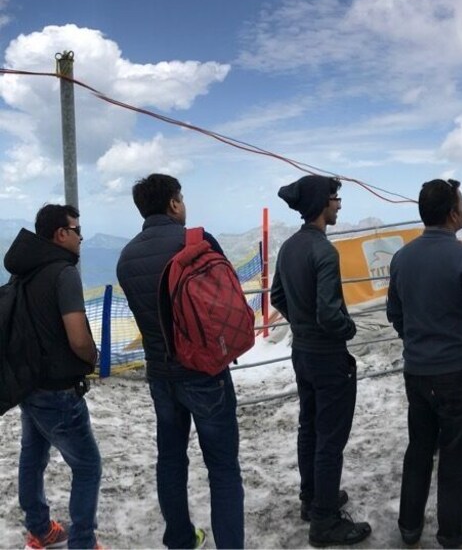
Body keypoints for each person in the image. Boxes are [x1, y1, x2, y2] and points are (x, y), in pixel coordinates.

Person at [116, 174, 244, 549]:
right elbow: (227, 296)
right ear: (173, 204)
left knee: (170, 460)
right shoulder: (197, 243)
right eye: (181, 199)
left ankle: (180, 539)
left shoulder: (126, 258)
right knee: (222, 468)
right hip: (205, 373)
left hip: (161, 375)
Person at [386, 178, 462, 549]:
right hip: (459, 373)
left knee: (418, 448)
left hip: (417, 373)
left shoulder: (402, 257)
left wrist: (416, 344)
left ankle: (409, 526)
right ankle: (454, 537)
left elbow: (395, 312)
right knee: (456, 456)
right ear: (453, 214)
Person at [270, 175, 370, 546]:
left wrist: (300, 321)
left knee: (309, 427)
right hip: (328, 356)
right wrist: (348, 328)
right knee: (330, 438)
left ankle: (312, 499)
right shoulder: (324, 251)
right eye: (335, 198)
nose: (339, 204)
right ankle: (326, 521)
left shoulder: (289, 247)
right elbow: (331, 314)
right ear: (320, 204)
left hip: (302, 352)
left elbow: (278, 293)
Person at [7, 205, 101, 550]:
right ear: (61, 234)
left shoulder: (26, 271)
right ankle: (83, 542)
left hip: (30, 384)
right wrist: (93, 357)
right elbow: (77, 338)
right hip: (59, 392)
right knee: (88, 466)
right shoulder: (63, 273)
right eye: (77, 230)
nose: (80, 237)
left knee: (32, 455)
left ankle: (40, 528)